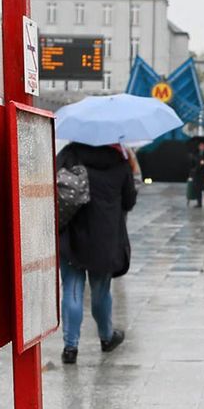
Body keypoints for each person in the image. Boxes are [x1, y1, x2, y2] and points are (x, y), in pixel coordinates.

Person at [57, 142, 135, 365]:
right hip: (105, 237)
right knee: (101, 291)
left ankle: (70, 347)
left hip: (72, 234)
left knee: (72, 290)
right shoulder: (119, 160)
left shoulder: (69, 154)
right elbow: (129, 201)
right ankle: (106, 337)